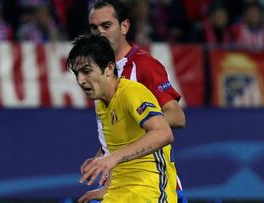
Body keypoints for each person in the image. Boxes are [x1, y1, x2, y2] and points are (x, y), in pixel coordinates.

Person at [80, 0, 187, 202]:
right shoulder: (99, 74)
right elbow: (117, 131)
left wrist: (143, 120)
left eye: (106, 26)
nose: (99, 33)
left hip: (156, 185)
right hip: (122, 185)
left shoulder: (144, 65)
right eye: (94, 28)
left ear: (124, 27)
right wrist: (101, 156)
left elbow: (177, 116)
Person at [67, 33, 178, 203]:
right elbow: (114, 150)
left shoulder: (131, 92)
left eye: (87, 71)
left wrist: (113, 158)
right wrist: (105, 189)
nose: (81, 80)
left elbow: (163, 133)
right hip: (118, 193)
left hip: (150, 191)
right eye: (77, 74)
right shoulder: (102, 105)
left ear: (109, 69)